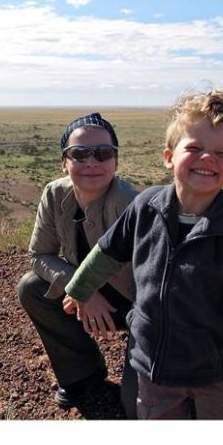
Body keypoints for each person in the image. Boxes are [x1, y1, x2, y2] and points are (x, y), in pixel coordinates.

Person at [65, 90, 223, 419]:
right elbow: (107, 252)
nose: (206, 158)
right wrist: (79, 288)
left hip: (217, 372)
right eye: (194, 148)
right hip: (153, 366)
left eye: (221, 153)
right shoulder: (144, 207)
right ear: (169, 156)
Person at [17, 112, 139, 418]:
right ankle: (81, 373)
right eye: (79, 154)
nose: (91, 162)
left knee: (135, 407)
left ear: (116, 161)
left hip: (142, 306)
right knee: (31, 287)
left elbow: (155, 281)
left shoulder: (130, 204)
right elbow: (38, 256)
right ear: (64, 162)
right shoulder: (55, 193)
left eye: (103, 153)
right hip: (88, 296)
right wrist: (82, 289)